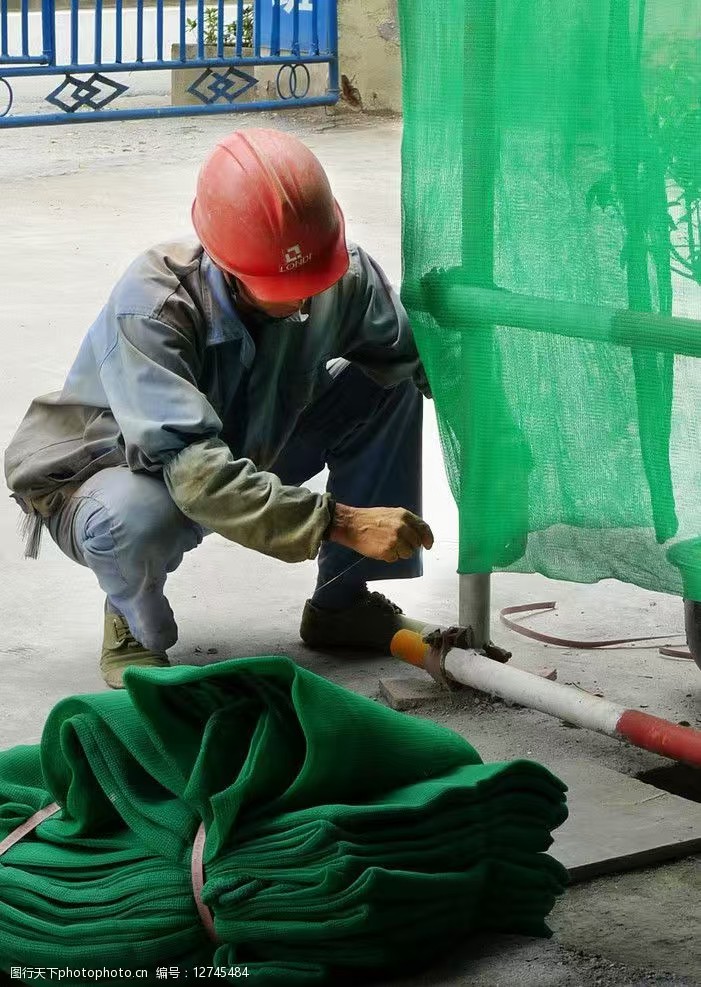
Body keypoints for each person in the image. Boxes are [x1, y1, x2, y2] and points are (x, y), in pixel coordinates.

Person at [4, 128, 434, 689]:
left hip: (247, 439)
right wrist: (338, 521)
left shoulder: (341, 275)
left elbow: (415, 360)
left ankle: (342, 605)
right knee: (133, 516)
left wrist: (504, 439)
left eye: (313, 278)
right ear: (227, 262)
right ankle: (135, 624)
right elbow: (195, 474)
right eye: (283, 284)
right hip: (127, 466)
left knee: (387, 388)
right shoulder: (154, 306)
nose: (306, 297)